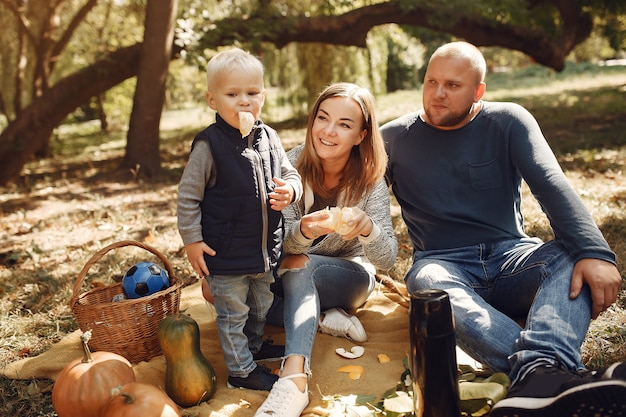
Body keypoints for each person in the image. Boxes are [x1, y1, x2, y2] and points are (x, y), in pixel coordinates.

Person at [381, 41, 626, 416]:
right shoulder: (392, 139)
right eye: (431, 82)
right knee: (425, 281)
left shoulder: (508, 120)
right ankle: (549, 375)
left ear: (478, 91)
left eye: (452, 85)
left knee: (565, 256)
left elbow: (550, 184)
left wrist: (594, 251)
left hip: (512, 258)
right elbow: (351, 193)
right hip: (443, 263)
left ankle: (539, 373)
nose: (438, 94)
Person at [253, 82, 398, 417]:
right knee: (222, 293)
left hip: (348, 278)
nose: (328, 131)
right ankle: (321, 317)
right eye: (323, 118)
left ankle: (294, 380)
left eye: (344, 125)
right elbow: (280, 249)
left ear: (361, 135)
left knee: (301, 263)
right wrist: (305, 229)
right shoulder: (286, 169)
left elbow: (387, 259)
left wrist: (367, 228)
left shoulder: (370, 179)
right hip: (291, 274)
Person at [177, 47, 303, 391]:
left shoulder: (270, 138)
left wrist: (291, 191)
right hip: (226, 253)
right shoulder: (209, 146)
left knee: (260, 306)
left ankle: (254, 346)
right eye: (232, 94)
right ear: (212, 100)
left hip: (264, 249)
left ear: (263, 95)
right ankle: (240, 371)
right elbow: (188, 196)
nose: (243, 101)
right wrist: (192, 239)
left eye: (252, 93)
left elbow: (292, 175)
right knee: (233, 314)